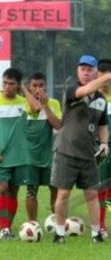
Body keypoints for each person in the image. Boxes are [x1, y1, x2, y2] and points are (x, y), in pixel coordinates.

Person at [51, 55, 111, 243]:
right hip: (66, 151)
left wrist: (103, 143)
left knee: (92, 194)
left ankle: (96, 234)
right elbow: (87, 89)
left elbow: (102, 124)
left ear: (95, 72)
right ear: (78, 71)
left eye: (89, 69)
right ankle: (59, 233)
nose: (85, 72)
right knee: (64, 193)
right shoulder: (72, 89)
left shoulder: (101, 99)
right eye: (82, 69)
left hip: (89, 154)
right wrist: (107, 76)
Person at [0, 68, 40, 239]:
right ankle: (3, 228)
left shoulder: (23, 102)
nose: (6, 86)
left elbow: (36, 107)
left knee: (13, 191)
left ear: (18, 85)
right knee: (2, 188)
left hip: (19, 156)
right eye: (5, 82)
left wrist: (24, 89)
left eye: (11, 84)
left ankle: (8, 228)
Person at [25, 72, 62, 221]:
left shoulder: (54, 103)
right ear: (29, 87)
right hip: (30, 155)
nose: (38, 89)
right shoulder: (24, 103)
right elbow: (34, 109)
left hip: (50, 154)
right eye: (34, 85)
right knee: (31, 191)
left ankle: (56, 222)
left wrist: (46, 106)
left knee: (54, 189)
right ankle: (32, 223)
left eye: (41, 85)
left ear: (46, 87)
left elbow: (58, 125)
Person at [97, 58, 111, 238]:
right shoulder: (93, 97)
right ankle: (100, 224)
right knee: (101, 186)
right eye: (103, 78)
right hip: (99, 148)